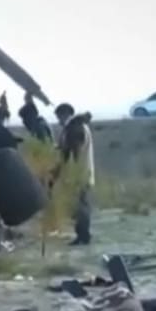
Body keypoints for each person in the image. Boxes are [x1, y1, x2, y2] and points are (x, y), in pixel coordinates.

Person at [55, 102, 95, 246]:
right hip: (83, 172)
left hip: (79, 174)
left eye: (59, 117)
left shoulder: (74, 129)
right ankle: (82, 235)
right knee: (81, 206)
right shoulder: (80, 127)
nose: (58, 121)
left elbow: (71, 152)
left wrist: (59, 171)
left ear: (63, 114)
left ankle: (83, 236)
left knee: (81, 207)